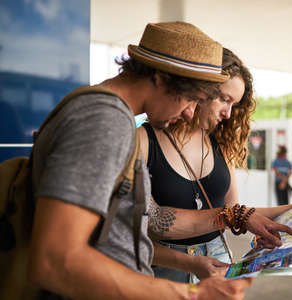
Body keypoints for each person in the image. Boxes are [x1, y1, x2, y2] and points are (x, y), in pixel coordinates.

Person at [28, 21, 262, 300]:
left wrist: (190, 263)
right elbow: (55, 260)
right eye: (189, 98)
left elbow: (122, 233)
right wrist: (190, 294)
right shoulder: (104, 121)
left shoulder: (105, 113)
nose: (190, 114)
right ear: (160, 77)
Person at [139, 48, 292, 283]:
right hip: (163, 270)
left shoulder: (219, 144)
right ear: (199, 90)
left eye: (234, 104)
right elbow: (146, 226)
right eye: (224, 99)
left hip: (218, 264)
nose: (228, 113)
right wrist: (237, 217)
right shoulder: (144, 140)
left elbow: (236, 210)